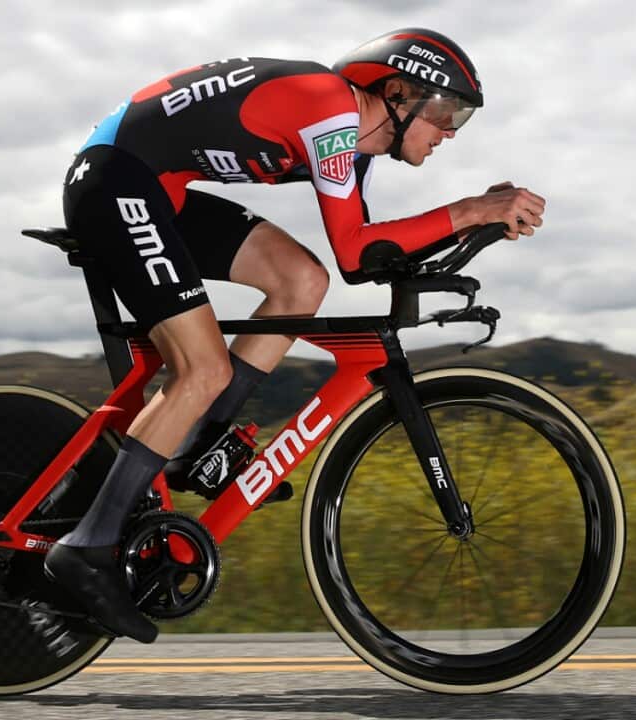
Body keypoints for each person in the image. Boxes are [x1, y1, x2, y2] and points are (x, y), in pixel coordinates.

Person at [43, 28, 546, 643]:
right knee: (203, 370)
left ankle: (195, 440)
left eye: (460, 120)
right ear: (396, 91)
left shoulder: (349, 142)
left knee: (300, 280)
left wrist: (470, 222)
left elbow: (353, 259)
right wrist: (468, 211)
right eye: (446, 111)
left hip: (155, 186)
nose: (450, 131)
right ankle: (85, 546)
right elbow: (359, 254)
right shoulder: (331, 110)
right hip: (115, 181)